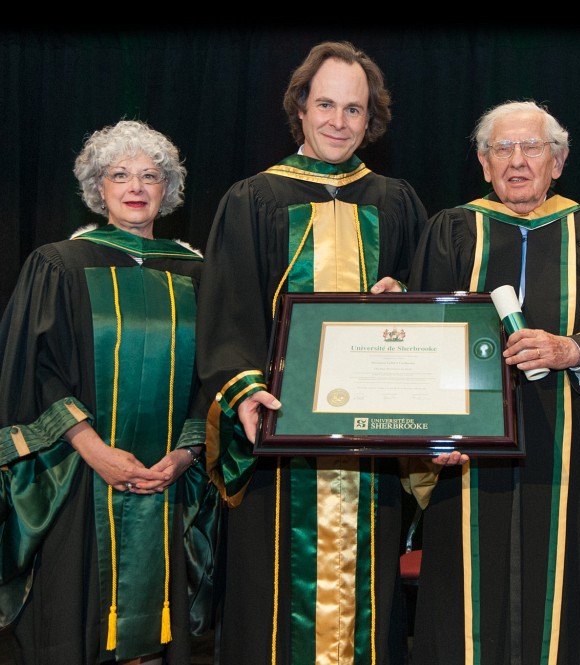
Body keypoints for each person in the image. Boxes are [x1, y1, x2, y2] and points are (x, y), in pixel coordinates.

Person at [195, 41, 427, 665]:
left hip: (370, 445)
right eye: (325, 104)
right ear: (300, 107)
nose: (338, 121)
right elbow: (229, 312)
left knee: (370, 601)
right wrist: (243, 392)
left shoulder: (396, 200)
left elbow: (428, 301)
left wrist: (404, 298)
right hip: (282, 441)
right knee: (271, 602)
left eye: (353, 109)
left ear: (370, 118)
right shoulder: (254, 199)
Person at [0, 119, 218, 665]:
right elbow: (37, 370)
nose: (136, 186)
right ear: (98, 189)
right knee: (76, 623)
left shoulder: (197, 272)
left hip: (169, 479)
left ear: (168, 190)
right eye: (120, 174)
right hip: (80, 479)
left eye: (150, 175)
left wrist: (184, 454)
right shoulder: (60, 265)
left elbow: (216, 374)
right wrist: (96, 452)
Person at [406, 100, 580, 664]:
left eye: (532, 147)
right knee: (463, 593)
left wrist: (571, 349)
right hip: (465, 456)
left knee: (563, 596)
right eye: (502, 149)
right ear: (484, 165)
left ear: (557, 162)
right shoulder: (451, 230)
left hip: (567, 445)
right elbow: (420, 339)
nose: (517, 161)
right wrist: (433, 433)